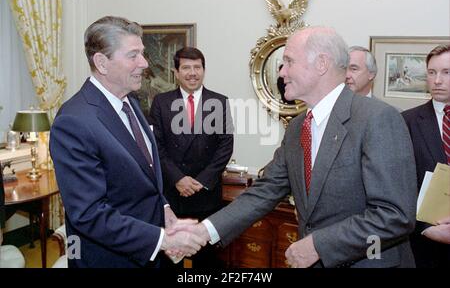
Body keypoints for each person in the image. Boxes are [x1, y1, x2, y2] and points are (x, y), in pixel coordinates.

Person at [176, 27, 417, 268]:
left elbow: (394, 215)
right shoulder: (298, 128)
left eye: (289, 61)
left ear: (322, 63)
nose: (281, 72)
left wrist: (319, 245)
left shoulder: (377, 119)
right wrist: (204, 231)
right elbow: (266, 190)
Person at [49, 16, 206, 268]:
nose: (144, 63)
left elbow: (144, 174)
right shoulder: (74, 121)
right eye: (133, 55)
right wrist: (161, 240)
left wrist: (164, 209)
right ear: (101, 62)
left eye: (142, 53)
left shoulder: (130, 102)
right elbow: (89, 213)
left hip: (152, 254)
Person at [148, 47, 233, 267]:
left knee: (206, 259)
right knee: (170, 257)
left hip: (205, 194)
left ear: (204, 70)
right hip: (173, 194)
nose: (192, 73)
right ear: (176, 72)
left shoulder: (220, 101)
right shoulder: (161, 102)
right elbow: (156, 145)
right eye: (186, 67)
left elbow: (225, 145)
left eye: (197, 67)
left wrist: (202, 181)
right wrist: (178, 178)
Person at [402, 44, 450, 267]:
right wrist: (425, 227)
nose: (437, 80)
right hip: (425, 244)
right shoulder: (406, 122)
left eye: (446, 72)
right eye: (432, 73)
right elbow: (398, 184)